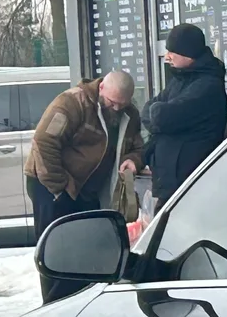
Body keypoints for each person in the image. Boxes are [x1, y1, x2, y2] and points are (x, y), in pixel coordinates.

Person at [25, 69, 145, 300]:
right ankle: (54, 305)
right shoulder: (71, 103)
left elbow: (138, 146)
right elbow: (44, 143)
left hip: (87, 189)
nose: (117, 109)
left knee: (83, 249)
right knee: (56, 249)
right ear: (101, 88)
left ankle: (78, 301)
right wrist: (60, 187)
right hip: (50, 185)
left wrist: (133, 161)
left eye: (122, 104)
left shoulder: (128, 113)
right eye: (112, 102)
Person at [144, 23, 227, 204]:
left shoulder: (207, 86)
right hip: (169, 182)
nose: (167, 57)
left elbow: (164, 116)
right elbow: (147, 111)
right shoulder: (180, 79)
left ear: (187, 53)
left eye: (171, 52)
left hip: (189, 184)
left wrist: (157, 117)